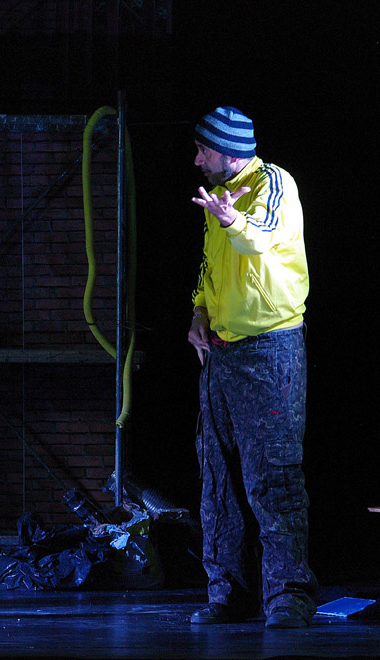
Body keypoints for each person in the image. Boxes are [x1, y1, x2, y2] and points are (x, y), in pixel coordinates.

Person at [185, 107, 317, 629]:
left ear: (231, 152)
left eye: (204, 151)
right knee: (216, 478)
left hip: (269, 350)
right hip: (221, 351)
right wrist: (199, 310)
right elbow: (210, 264)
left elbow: (259, 239)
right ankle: (229, 593)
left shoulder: (273, 184)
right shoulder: (216, 197)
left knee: (274, 475)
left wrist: (231, 219)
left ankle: (289, 596)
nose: (197, 160)